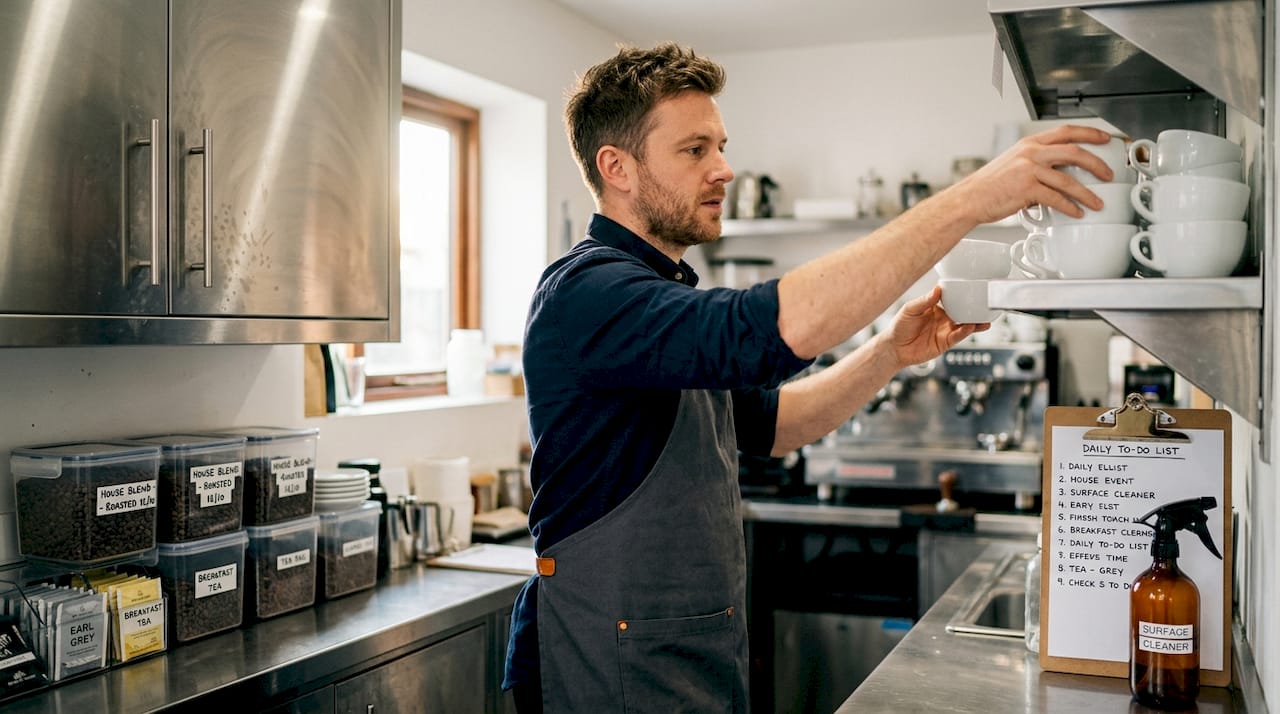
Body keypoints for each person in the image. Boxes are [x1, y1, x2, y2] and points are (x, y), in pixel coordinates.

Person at [504, 42, 1115, 714]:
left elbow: (775, 424)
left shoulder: (654, 294)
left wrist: (889, 353)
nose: (724, 169)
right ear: (615, 167)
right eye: (695, 150)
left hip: (681, 654)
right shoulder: (589, 293)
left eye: (720, 146)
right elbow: (767, 330)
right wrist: (971, 200)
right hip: (612, 665)